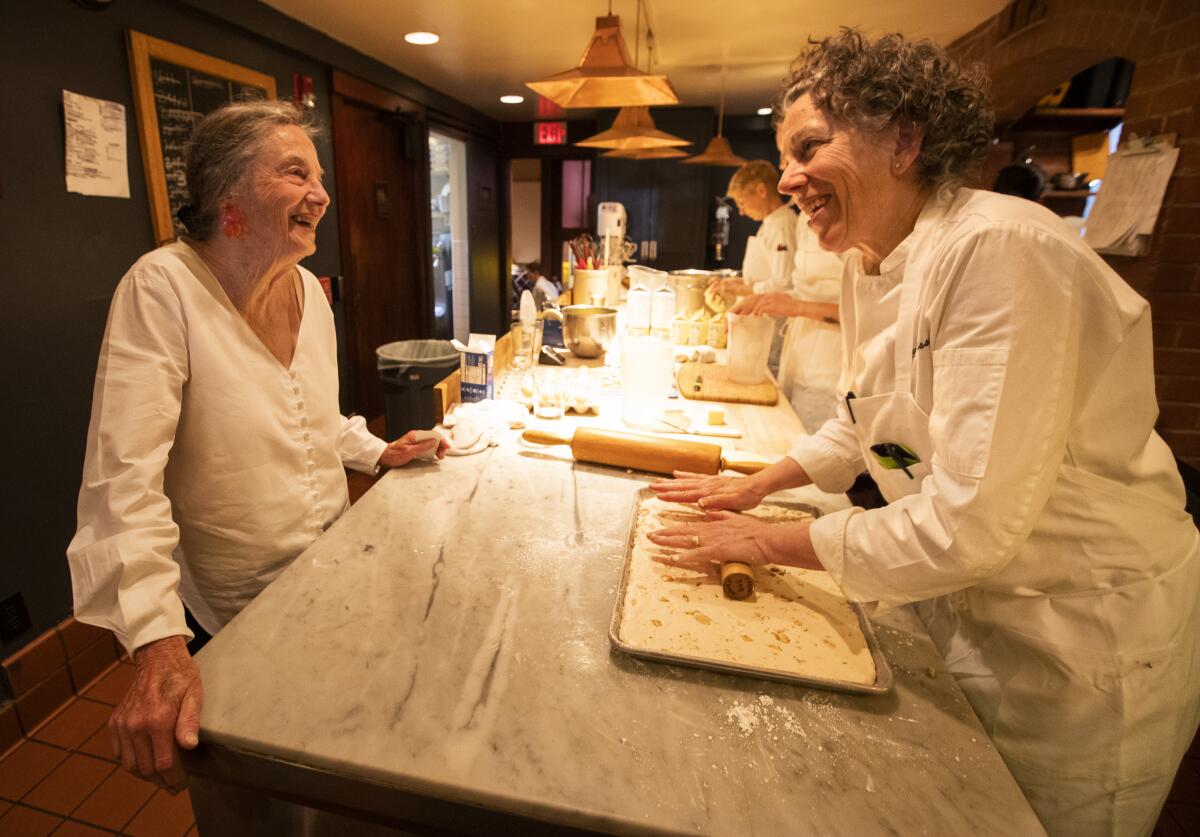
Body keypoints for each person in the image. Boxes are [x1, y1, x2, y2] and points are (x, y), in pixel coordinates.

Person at [649, 29, 1199, 837]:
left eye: (809, 146)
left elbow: (970, 519)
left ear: (905, 139)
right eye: (785, 154)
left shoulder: (998, 249)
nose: (791, 176)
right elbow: (873, 423)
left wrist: (769, 544)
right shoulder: (872, 259)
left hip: (1079, 635)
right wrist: (764, 483)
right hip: (969, 602)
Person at [66, 100, 447, 794]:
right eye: (296, 172)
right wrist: (155, 642)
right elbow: (123, 482)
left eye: (320, 175)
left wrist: (375, 451)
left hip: (331, 576)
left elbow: (313, 415)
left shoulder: (308, 289)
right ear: (228, 193)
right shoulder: (162, 289)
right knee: (267, 792)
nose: (322, 195)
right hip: (230, 609)